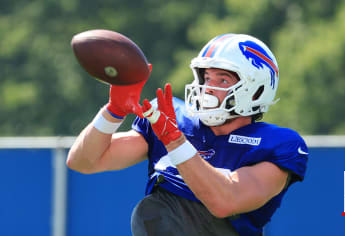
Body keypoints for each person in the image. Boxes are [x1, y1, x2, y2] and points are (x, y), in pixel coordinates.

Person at [67, 33, 309, 236]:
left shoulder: (277, 144)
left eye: (222, 79)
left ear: (256, 90)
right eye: (206, 77)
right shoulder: (176, 120)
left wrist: (175, 142)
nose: (208, 88)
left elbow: (225, 201)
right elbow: (85, 161)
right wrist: (113, 112)